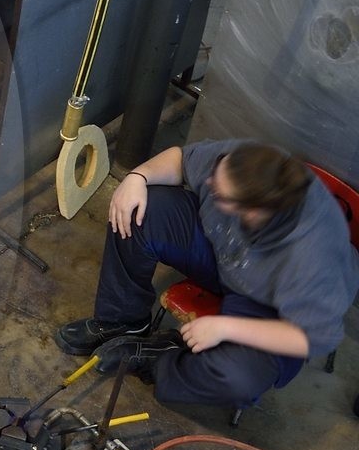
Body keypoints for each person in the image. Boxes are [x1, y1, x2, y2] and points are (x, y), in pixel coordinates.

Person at [55, 139, 357, 410]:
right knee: (139, 211)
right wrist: (137, 177)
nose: (208, 181)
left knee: (238, 379)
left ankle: (161, 357)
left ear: (254, 211)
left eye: (219, 193)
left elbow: (315, 338)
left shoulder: (316, 257)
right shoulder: (245, 164)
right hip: (226, 253)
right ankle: (121, 321)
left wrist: (226, 328)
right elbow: (181, 160)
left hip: (270, 306)